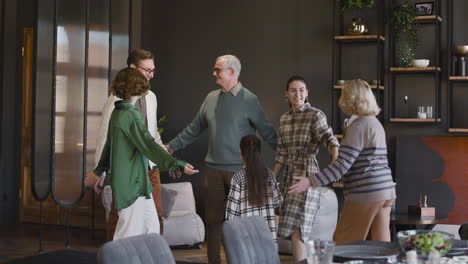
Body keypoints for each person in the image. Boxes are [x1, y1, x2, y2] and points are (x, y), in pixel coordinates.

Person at [166, 55, 277, 264]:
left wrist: (287, 154)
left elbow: (268, 132)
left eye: (218, 70)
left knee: (242, 223)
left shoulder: (249, 99)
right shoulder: (210, 98)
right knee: (213, 221)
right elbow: (194, 128)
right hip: (213, 170)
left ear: (232, 72)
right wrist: (171, 146)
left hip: (240, 172)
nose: (214, 73)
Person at [85, 68, 199, 240]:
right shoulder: (130, 115)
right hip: (132, 185)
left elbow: (109, 145)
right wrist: (177, 164)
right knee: (127, 236)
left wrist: (99, 170)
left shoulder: (118, 113)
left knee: (151, 229)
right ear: (136, 87)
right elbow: (148, 144)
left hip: (138, 184)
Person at [289, 79, 396, 245]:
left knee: (343, 243)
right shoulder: (375, 123)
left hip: (366, 192)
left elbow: (341, 165)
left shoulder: (359, 126)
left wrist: (310, 181)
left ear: (351, 99)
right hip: (385, 191)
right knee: (381, 247)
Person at [95, 49, 167, 240]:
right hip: (125, 168)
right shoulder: (115, 101)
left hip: (150, 167)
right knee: (120, 215)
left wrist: (165, 156)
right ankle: (113, 256)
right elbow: (104, 136)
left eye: (153, 70)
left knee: (156, 216)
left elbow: (152, 134)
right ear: (132, 68)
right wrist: (99, 171)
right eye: (147, 70)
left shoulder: (151, 97)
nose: (151, 75)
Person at [273, 75, 339, 262]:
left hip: (307, 176)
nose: (298, 94)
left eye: (302, 90)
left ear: (307, 93)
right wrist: (272, 179)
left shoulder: (315, 115)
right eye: (293, 90)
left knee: (298, 227)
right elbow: (281, 154)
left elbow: (330, 140)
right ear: (286, 94)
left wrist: (335, 165)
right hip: (288, 179)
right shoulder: (284, 119)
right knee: (294, 228)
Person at [225, 135, 282, 243]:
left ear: (242, 154)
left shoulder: (238, 178)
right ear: (259, 153)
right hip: (268, 239)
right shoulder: (270, 175)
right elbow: (278, 201)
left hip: (247, 239)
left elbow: (231, 214)